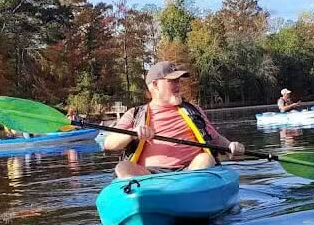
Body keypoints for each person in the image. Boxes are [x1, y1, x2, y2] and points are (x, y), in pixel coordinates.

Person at [103, 61, 245, 178]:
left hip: (190, 172)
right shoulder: (134, 114)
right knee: (123, 167)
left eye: (178, 81)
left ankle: (187, 195)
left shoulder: (194, 111)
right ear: (155, 85)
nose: (178, 85)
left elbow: (215, 139)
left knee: (205, 158)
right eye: (172, 81)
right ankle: (139, 200)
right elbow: (109, 143)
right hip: (148, 176)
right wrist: (133, 133)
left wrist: (230, 146)